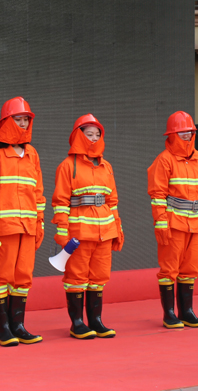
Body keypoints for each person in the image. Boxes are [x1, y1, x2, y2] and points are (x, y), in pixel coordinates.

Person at [0, 97, 46, 346]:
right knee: (0, 277)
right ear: (7, 121)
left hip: (27, 227)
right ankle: (3, 329)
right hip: (3, 229)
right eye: (18, 119)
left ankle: (18, 326)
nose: (23, 123)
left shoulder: (32, 154)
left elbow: (38, 194)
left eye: (26, 119)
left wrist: (40, 224)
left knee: (23, 276)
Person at [51, 114, 124, 339]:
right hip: (79, 235)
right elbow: (60, 203)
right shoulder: (67, 166)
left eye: (97, 135)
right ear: (78, 136)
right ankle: (77, 324)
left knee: (99, 278)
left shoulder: (106, 166)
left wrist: (117, 229)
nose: (94, 139)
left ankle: (96, 322)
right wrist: (62, 234)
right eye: (89, 134)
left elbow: (112, 201)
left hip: (104, 233)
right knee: (76, 278)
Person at [147, 110, 198, 329]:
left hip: (195, 223)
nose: (187, 136)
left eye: (190, 132)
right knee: (169, 269)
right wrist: (161, 223)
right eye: (182, 132)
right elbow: (157, 195)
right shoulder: (164, 160)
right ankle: (169, 314)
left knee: (191, 268)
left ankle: (187, 312)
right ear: (172, 134)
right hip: (173, 222)